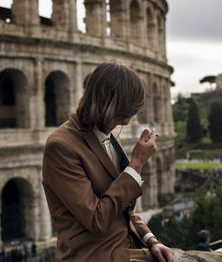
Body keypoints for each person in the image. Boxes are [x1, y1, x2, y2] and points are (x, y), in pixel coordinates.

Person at [42, 62, 174, 262]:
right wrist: (136, 164)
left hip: (126, 250)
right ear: (112, 104)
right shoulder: (61, 146)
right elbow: (97, 220)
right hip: (94, 256)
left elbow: (122, 208)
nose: (133, 114)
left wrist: (151, 240)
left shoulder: (110, 135)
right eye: (130, 108)